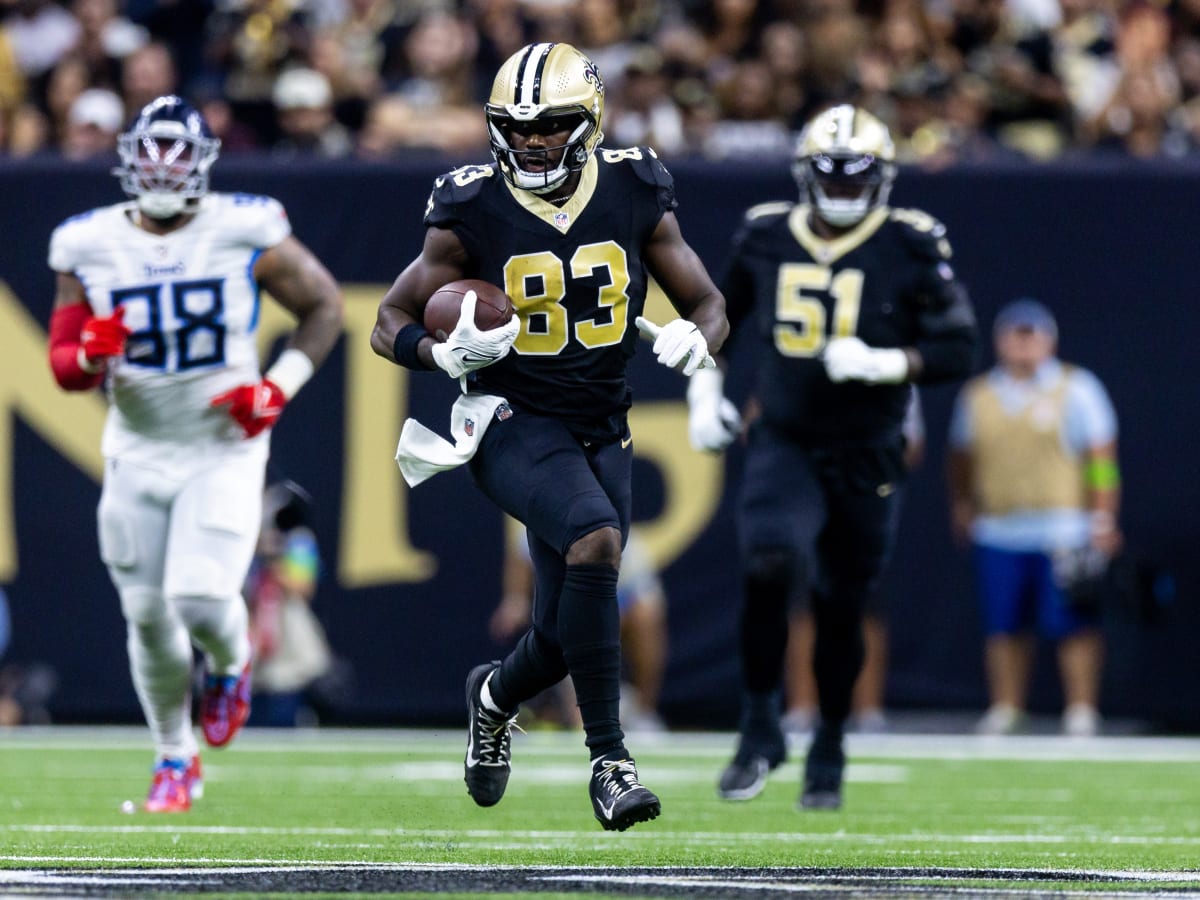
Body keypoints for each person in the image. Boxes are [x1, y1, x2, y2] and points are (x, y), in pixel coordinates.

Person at [371, 42, 728, 832]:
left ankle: (494, 696)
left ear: (589, 121)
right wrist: (438, 353)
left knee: (564, 632)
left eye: (552, 124)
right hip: (509, 419)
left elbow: (708, 301)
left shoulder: (634, 185)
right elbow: (386, 321)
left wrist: (697, 339)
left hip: (604, 423)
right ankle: (611, 760)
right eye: (517, 126)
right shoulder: (471, 203)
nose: (532, 141)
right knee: (598, 541)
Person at [46, 95, 344, 812]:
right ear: (128, 159)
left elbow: (325, 307)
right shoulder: (86, 242)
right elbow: (62, 365)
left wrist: (276, 388)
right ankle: (173, 759)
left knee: (199, 595)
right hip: (137, 446)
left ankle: (233, 663)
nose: (163, 168)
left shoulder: (243, 227)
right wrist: (88, 351)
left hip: (223, 444)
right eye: (152, 152)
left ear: (204, 163)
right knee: (147, 614)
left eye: (179, 154)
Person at [688, 104, 977, 809]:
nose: (843, 186)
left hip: (868, 448)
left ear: (882, 178)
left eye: (857, 174)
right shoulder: (763, 234)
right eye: (830, 172)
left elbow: (957, 347)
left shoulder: (909, 243)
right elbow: (715, 322)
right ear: (803, 173)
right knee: (768, 562)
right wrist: (704, 394)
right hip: (785, 436)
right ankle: (759, 727)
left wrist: (884, 362)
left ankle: (831, 742)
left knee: (842, 604)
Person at [946, 298, 1120, 738]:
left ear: (1049, 339)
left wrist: (1102, 516)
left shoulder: (1077, 388)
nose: (1023, 345)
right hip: (1001, 527)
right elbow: (961, 458)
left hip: (1063, 527)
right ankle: (1006, 706)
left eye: (1032, 335)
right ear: (1000, 341)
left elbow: (1100, 459)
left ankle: (1081, 708)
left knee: (1073, 624)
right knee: (1004, 623)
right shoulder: (980, 395)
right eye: (1015, 335)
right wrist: (964, 503)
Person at [782, 388, 926, 736]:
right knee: (804, 602)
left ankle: (868, 710)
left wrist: (875, 475)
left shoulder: (893, 364)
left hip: (865, 491)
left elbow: (913, 442)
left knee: (866, 603)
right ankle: (802, 707)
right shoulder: (798, 352)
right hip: (810, 493)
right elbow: (765, 421)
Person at [491, 522, 668, 733]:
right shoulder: (545, 524)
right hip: (565, 614)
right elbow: (522, 555)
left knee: (645, 615)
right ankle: (571, 712)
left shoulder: (624, 542)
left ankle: (641, 713)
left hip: (611, 613)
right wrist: (516, 599)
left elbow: (645, 602)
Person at [245, 481, 332, 727]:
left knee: (286, 692)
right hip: (255, 622)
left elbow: (303, 586)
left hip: (287, 626)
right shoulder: (247, 542)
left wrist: (276, 561)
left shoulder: (298, 540)